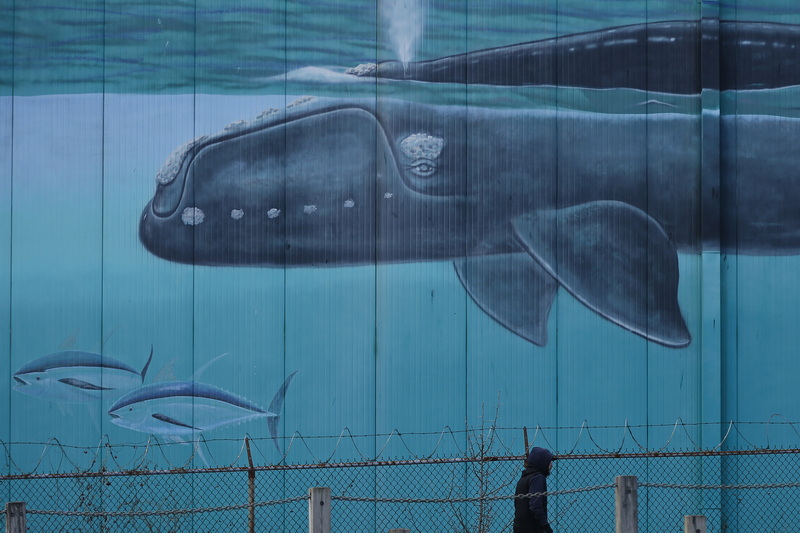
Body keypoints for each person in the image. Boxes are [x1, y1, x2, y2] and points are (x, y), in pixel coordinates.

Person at [513, 446, 554, 533]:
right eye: (549, 462)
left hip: (519, 527)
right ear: (542, 462)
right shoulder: (538, 478)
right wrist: (546, 527)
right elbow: (535, 506)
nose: (551, 465)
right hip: (532, 528)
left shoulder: (523, 478)